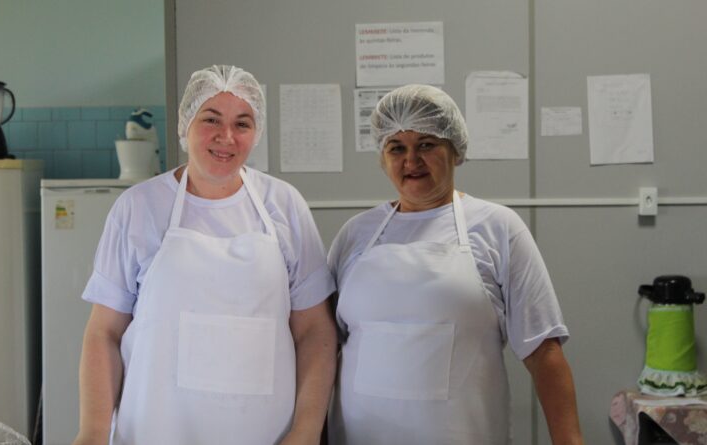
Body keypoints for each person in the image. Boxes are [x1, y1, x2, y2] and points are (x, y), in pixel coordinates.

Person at [73, 65, 337, 445]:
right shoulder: (139, 207)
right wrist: (94, 432)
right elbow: (103, 333)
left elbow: (315, 332)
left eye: (242, 124)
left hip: (264, 432)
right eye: (211, 119)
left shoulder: (283, 205)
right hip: (155, 429)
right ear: (185, 125)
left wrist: (307, 431)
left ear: (256, 132)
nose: (225, 137)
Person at [327, 84, 583, 444]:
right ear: (382, 157)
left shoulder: (498, 228)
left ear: (455, 150)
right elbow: (323, 348)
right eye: (396, 147)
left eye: (427, 145)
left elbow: (544, 352)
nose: (411, 161)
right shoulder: (355, 235)